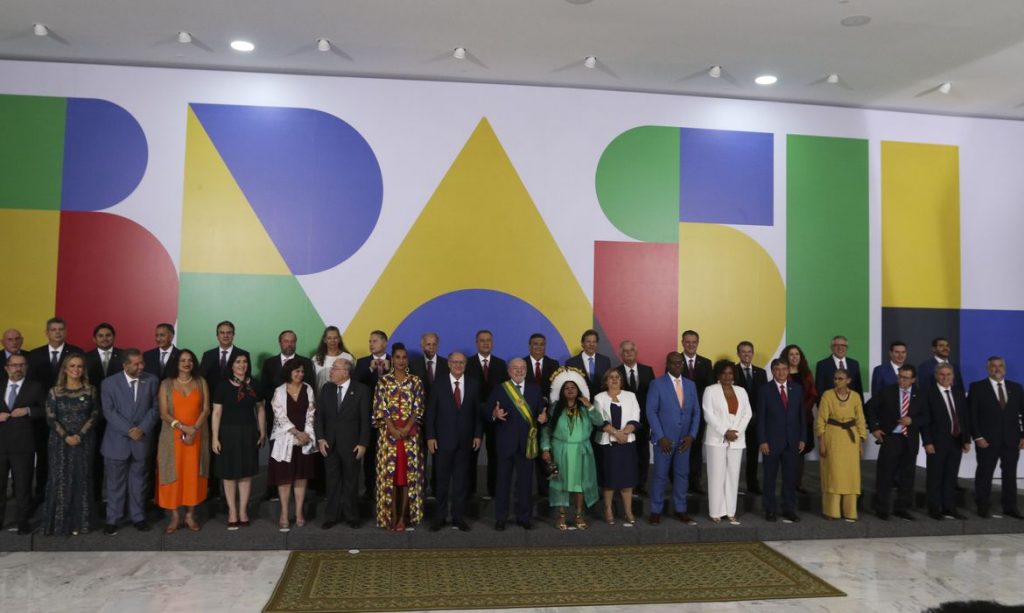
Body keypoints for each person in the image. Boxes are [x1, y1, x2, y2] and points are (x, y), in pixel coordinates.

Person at [100, 349, 159, 535]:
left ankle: (138, 517)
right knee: (114, 484)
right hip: (116, 442)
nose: (141, 366)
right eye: (136, 364)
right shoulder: (109, 383)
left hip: (141, 441)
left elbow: (156, 408)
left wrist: (142, 428)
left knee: (139, 483)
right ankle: (113, 519)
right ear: (125, 365)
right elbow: (109, 411)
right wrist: (129, 430)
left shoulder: (152, 380)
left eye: (142, 363)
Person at [484, 357, 546, 530]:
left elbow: (541, 412)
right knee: (502, 483)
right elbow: (487, 411)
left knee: (525, 484)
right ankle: (501, 518)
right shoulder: (500, 389)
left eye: (522, 368)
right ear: (509, 371)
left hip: (527, 444)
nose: (519, 371)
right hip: (505, 444)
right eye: (515, 368)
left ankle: (524, 517)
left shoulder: (535, 389)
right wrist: (494, 414)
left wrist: (544, 417)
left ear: (526, 370)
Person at [27, 317, 83, 503]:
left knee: (68, 457)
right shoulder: (34, 355)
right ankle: (42, 494)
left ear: (65, 332)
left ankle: (66, 495)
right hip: (43, 416)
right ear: (47, 333)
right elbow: (31, 386)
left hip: (70, 415)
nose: (57, 332)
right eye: (53, 329)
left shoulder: (76, 352)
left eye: (61, 329)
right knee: (43, 456)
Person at [541, 368, 604, 529]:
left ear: (578, 390)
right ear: (562, 391)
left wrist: (590, 407)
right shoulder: (554, 408)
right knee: (560, 484)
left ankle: (579, 516)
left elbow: (599, 422)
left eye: (573, 387)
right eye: (566, 388)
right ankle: (561, 517)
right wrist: (546, 448)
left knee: (579, 484)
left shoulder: (585, 407)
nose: (570, 390)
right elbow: (546, 430)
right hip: (560, 450)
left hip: (581, 451)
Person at [371, 343, 425, 531]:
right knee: (390, 477)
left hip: (410, 438)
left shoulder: (415, 381)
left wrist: (407, 427)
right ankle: (391, 516)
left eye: (404, 357)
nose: (401, 361)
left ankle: (403, 517)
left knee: (407, 477)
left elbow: (418, 407)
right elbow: (380, 407)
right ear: (392, 359)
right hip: (388, 438)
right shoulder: (383, 382)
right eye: (397, 357)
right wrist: (393, 429)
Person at [425, 351, 481, 531]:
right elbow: (431, 413)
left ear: (465, 365)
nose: (458, 365)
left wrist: (478, 435)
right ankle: (440, 517)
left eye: (461, 362)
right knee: (441, 482)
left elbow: (477, 414)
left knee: (461, 483)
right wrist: (430, 436)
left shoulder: (473, 384)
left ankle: (458, 517)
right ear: (448, 364)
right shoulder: (438, 384)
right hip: (442, 442)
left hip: (465, 442)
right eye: (455, 362)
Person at [156, 349, 210, 533]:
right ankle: (175, 516)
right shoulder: (166, 384)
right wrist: (183, 428)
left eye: (190, 360)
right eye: (182, 360)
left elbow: (206, 409)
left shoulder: (201, 382)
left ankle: (190, 515)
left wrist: (194, 429)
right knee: (173, 474)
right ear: (176, 364)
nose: (187, 363)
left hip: (197, 436)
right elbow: (164, 413)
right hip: (172, 438)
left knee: (193, 475)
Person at [315, 353, 370, 530]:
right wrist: (320, 438)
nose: (331, 371)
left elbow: (365, 420)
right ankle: (331, 516)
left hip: (352, 445)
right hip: (329, 444)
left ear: (346, 372)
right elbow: (319, 416)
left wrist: (363, 443)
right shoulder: (327, 389)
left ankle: (351, 516)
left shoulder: (361, 390)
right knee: (332, 481)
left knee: (351, 481)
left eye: (335, 368)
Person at [211, 353, 265, 530]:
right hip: (227, 434)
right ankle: (232, 512)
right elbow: (216, 413)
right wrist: (214, 437)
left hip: (248, 433)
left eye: (245, 362)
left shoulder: (255, 384)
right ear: (231, 365)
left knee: (245, 473)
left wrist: (262, 431)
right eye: (238, 362)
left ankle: (243, 511)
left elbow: (260, 409)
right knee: (229, 475)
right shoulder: (222, 386)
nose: (242, 365)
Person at [261, 330, 316, 502]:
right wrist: (280, 400)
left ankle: (300, 498)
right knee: (279, 460)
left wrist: (305, 432)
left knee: (301, 464)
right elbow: (264, 389)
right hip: (279, 422)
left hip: (303, 422)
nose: (289, 344)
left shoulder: (306, 363)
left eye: (292, 341)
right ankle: (273, 491)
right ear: (280, 343)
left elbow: (310, 391)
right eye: (286, 341)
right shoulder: (269, 363)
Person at [646, 351, 700, 525]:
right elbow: (651, 411)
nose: (677, 365)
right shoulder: (657, 384)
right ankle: (655, 511)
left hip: (685, 441)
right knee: (660, 475)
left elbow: (696, 412)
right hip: (664, 441)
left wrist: (692, 435)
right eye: (673, 362)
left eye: (680, 362)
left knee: (682, 475)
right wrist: (660, 436)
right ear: (667, 364)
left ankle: (680, 509)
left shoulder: (691, 385)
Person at [866, 364, 925, 520]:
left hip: (910, 440)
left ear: (913, 380)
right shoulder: (887, 391)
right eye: (900, 377)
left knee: (907, 476)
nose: (901, 380)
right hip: (892, 438)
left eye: (906, 378)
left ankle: (902, 508)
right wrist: (874, 428)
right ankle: (882, 508)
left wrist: (912, 420)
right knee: (885, 474)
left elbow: (927, 417)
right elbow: (869, 407)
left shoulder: (920, 395)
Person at [969, 356, 1024, 519]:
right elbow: (972, 415)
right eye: (993, 366)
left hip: (1011, 440)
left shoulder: (1016, 388)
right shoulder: (977, 387)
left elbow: (1022, 413)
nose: (997, 369)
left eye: (1000, 366)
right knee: (984, 474)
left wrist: (1023, 436)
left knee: (1010, 475)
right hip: (987, 441)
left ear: (1004, 369)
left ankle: (1010, 507)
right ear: (988, 369)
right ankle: (982, 506)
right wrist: (977, 437)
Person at [268, 359, 317, 531]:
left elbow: (311, 413)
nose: (300, 374)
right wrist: (296, 432)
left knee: (301, 477)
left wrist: (306, 434)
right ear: (289, 372)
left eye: (302, 371)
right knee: (284, 477)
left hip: (304, 439)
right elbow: (280, 416)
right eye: (297, 371)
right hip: (285, 439)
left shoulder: (308, 389)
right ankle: (284, 513)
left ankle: (298, 512)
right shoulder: (279, 391)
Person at [702, 360, 752, 524]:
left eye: (730, 373)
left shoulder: (741, 391)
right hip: (717, 438)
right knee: (716, 475)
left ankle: (730, 511)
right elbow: (709, 415)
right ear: (718, 375)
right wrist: (725, 432)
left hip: (737, 438)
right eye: (723, 373)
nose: (727, 376)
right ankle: (716, 511)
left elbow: (747, 414)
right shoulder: (710, 390)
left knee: (733, 475)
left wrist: (736, 432)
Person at [815, 368, 867, 521]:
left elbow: (860, 420)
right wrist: (822, 443)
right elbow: (821, 421)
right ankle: (831, 511)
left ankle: (850, 512)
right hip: (833, 437)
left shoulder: (855, 396)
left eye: (841, 378)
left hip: (851, 440)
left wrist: (860, 441)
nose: (837, 381)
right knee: (834, 474)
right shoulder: (827, 395)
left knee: (851, 475)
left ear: (848, 380)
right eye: (835, 378)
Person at [2, 353, 45, 534]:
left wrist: (28, 410)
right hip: (0, 446)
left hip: (23, 445)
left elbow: (45, 410)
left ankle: (23, 522)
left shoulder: (35, 387)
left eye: (21, 365)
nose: (17, 369)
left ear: (26, 368)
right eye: (14, 365)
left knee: (23, 487)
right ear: (7, 368)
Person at [920, 363, 970, 520]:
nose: (945, 377)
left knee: (951, 477)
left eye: (949, 374)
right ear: (936, 376)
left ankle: (949, 507)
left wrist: (966, 439)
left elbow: (964, 418)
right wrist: (927, 442)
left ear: (953, 376)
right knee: (935, 477)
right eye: (942, 374)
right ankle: (934, 508)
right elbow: (925, 420)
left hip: (956, 441)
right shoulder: (928, 393)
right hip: (936, 442)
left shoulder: (958, 393)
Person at [758, 358, 805, 523]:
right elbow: (761, 418)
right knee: (769, 478)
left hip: (792, 441)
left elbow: (801, 415)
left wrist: (802, 438)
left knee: (790, 479)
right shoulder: (765, 390)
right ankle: (770, 509)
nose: (781, 372)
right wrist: (762, 440)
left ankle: (789, 509)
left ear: (788, 370)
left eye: (784, 369)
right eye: (777, 369)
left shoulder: (797, 389)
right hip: (771, 442)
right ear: (772, 371)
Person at [593, 368, 640, 525]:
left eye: (617, 377)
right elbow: (599, 420)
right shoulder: (599, 398)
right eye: (611, 377)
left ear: (621, 380)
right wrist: (616, 433)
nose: (614, 379)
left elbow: (635, 417)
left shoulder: (630, 396)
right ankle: (608, 510)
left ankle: (628, 511)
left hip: (627, 443)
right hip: (608, 445)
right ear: (606, 381)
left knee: (627, 479)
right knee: (609, 479)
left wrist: (624, 433)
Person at [465, 329, 508, 499]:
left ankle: (493, 491)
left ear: (492, 343)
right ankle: (470, 491)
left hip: (494, 417)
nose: (485, 343)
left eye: (488, 340)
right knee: (470, 455)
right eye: (482, 340)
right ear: (476, 343)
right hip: (472, 416)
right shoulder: (467, 363)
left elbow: (505, 391)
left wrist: (496, 411)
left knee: (495, 454)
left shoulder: (500, 364)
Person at [83, 322, 123, 501]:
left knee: (118, 459)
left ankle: (117, 499)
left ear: (114, 337)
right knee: (95, 459)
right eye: (101, 336)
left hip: (119, 415)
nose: (105, 338)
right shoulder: (85, 358)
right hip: (94, 416)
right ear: (94, 339)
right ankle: (96, 498)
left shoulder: (124, 357)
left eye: (108, 335)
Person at [614, 340, 655, 496]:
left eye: (631, 350)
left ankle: (640, 485)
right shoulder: (615, 372)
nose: (629, 353)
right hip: (622, 421)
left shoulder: (647, 371)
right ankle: (624, 485)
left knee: (643, 453)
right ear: (621, 354)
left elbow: (653, 397)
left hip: (643, 421)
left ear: (636, 352)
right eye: (625, 351)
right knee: (624, 454)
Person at [354, 329, 390, 501]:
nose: (371, 344)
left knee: (388, 454)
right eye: (370, 341)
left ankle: (387, 488)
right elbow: (355, 384)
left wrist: (390, 371)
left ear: (384, 343)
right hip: (369, 415)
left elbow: (407, 382)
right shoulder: (362, 362)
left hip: (390, 417)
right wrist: (370, 369)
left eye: (374, 341)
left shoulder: (395, 360)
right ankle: (369, 489)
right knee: (369, 455)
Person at [780, 344, 817, 492]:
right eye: (791, 354)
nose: (795, 357)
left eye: (797, 354)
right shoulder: (782, 373)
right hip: (786, 420)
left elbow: (813, 395)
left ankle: (797, 483)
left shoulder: (806, 374)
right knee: (787, 451)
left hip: (804, 418)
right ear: (786, 357)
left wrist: (801, 411)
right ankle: (788, 483)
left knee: (800, 452)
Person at [680, 330, 713, 494]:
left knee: (696, 448)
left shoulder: (706, 363)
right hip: (680, 413)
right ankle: (680, 482)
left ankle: (695, 482)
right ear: (682, 343)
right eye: (687, 342)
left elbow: (709, 389)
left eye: (694, 342)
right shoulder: (675, 361)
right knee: (681, 447)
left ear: (698, 343)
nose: (691, 345)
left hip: (699, 413)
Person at [733, 340, 767, 494]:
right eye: (743, 352)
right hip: (736, 420)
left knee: (752, 455)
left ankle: (752, 484)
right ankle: (732, 485)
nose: (746, 354)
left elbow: (764, 397)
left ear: (752, 354)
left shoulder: (761, 373)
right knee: (734, 454)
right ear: (738, 354)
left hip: (755, 421)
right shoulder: (732, 371)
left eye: (749, 352)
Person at [199, 321, 251, 394]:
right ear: (217, 336)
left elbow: (246, 379)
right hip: (212, 396)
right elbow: (202, 378)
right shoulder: (208, 355)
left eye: (229, 333)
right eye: (222, 333)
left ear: (233, 335)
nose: (225, 335)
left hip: (235, 397)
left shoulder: (244, 354)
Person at [409, 331, 449, 399]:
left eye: (434, 344)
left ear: (438, 345)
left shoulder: (446, 364)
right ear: (422, 346)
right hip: (421, 403)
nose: (431, 347)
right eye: (428, 344)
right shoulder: (413, 365)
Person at [313, 326, 349, 391]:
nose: (332, 341)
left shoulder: (348, 357)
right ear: (324, 340)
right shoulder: (315, 359)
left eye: (335, 338)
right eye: (329, 338)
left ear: (339, 339)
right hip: (320, 396)